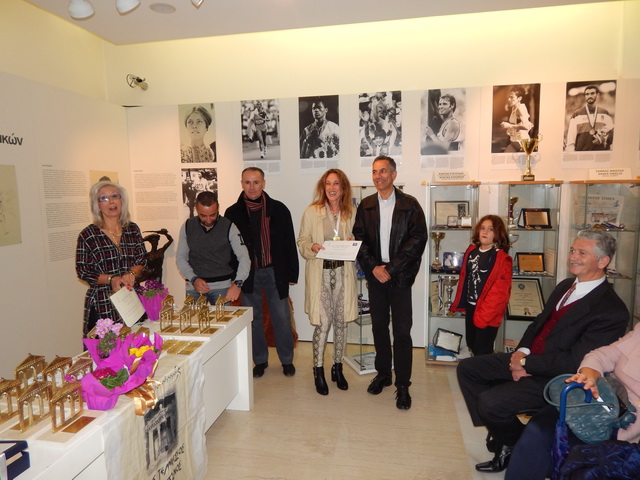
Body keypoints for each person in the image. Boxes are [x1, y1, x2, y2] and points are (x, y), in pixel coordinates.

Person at [456, 229, 629, 473]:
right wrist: (520, 353)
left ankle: (513, 440)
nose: (573, 257)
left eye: (582, 253)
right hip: (531, 358)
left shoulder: (612, 310)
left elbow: (575, 362)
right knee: (468, 368)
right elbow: (538, 323)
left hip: (558, 378)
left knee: (490, 403)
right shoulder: (565, 285)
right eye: (573, 250)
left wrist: (525, 364)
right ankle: (508, 437)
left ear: (603, 261)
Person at [506, 322, 640, 480]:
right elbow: (602, 355)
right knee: (538, 430)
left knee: (575, 460)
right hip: (596, 398)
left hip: (625, 424)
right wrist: (588, 374)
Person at [353, 155, 428, 410]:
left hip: (400, 276)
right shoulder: (366, 205)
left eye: (383, 171)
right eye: (375, 171)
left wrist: (391, 268)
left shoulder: (410, 204)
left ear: (394, 174)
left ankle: (403, 385)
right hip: (376, 276)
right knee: (379, 327)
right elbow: (359, 240)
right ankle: (383, 374)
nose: (378, 176)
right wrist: (374, 267)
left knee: (402, 332)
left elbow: (418, 240)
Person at [225, 167, 299, 378]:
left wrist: (292, 274)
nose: (252, 187)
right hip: (248, 274)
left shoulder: (279, 210)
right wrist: (234, 277)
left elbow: (289, 243)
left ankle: (287, 360)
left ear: (263, 183)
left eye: (256, 182)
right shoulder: (232, 213)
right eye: (247, 182)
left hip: (275, 271)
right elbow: (229, 248)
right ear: (242, 184)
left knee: (281, 316)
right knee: (254, 318)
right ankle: (260, 360)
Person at [297, 169, 358, 395]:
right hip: (320, 274)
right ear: (323, 187)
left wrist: (353, 240)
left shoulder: (351, 212)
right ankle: (318, 369)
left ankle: (337, 367)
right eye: (328, 184)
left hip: (343, 274)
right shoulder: (312, 211)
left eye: (336, 184)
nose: (332, 188)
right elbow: (302, 240)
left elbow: (358, 238)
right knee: (323, 324)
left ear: (343, 187)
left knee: (341, 323)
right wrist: (311, 246)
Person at [76, 181, 147, 336]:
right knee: (106, 347)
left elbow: (142, 259)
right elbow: (83, 271)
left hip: (130, 299)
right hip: (102, 302)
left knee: (136, 345)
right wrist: (111, 279)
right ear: (97, 205)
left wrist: (131, 274)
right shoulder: (88, 235)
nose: (111, 201)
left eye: (115, 196)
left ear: (122, 200)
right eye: (104, 198)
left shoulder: (132, 229)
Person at [450, 215, 512, 356]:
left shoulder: (502, 258)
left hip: (487, 311)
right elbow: (465, 279)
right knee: (472, 344)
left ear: (498, 233)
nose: (485, 232)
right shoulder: (471, 252)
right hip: (471, 306)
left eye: (490, 229)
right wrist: (463, 303)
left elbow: (500, 293)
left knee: (483, 351)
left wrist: (484, 316)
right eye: (482, 228)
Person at [176, 191, 250, 305]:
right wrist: (193, 279)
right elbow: (180, 258)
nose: (208, 220)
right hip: (194, 286)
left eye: (212, 215)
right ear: (196, 209)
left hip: (222, 287)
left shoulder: (229, 226)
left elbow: (244, 257)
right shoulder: (187, 226)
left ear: (218, 208)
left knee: (225, 317)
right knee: (193, 317)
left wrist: (238, 283)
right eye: (203, 215)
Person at [565, 84, 614, 152]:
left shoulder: (605, 113)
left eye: (592, 93)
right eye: (587, 94)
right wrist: (571, 153)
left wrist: (604, 138)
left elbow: (611, 134)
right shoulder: (577, 114)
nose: (589, 96)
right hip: (582, 154)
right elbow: (571, 139)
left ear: (597, 95)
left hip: (600, 154)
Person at [500, 86, 533, 152]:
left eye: (512, 97)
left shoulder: (520, 108)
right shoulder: (514, 108)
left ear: (519, 98)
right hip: (514, 143)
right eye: (509, 97)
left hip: (523, 144)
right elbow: (517, 124)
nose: (509, 99)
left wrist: (509, 126)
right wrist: (510, 129)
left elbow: (526, 126)